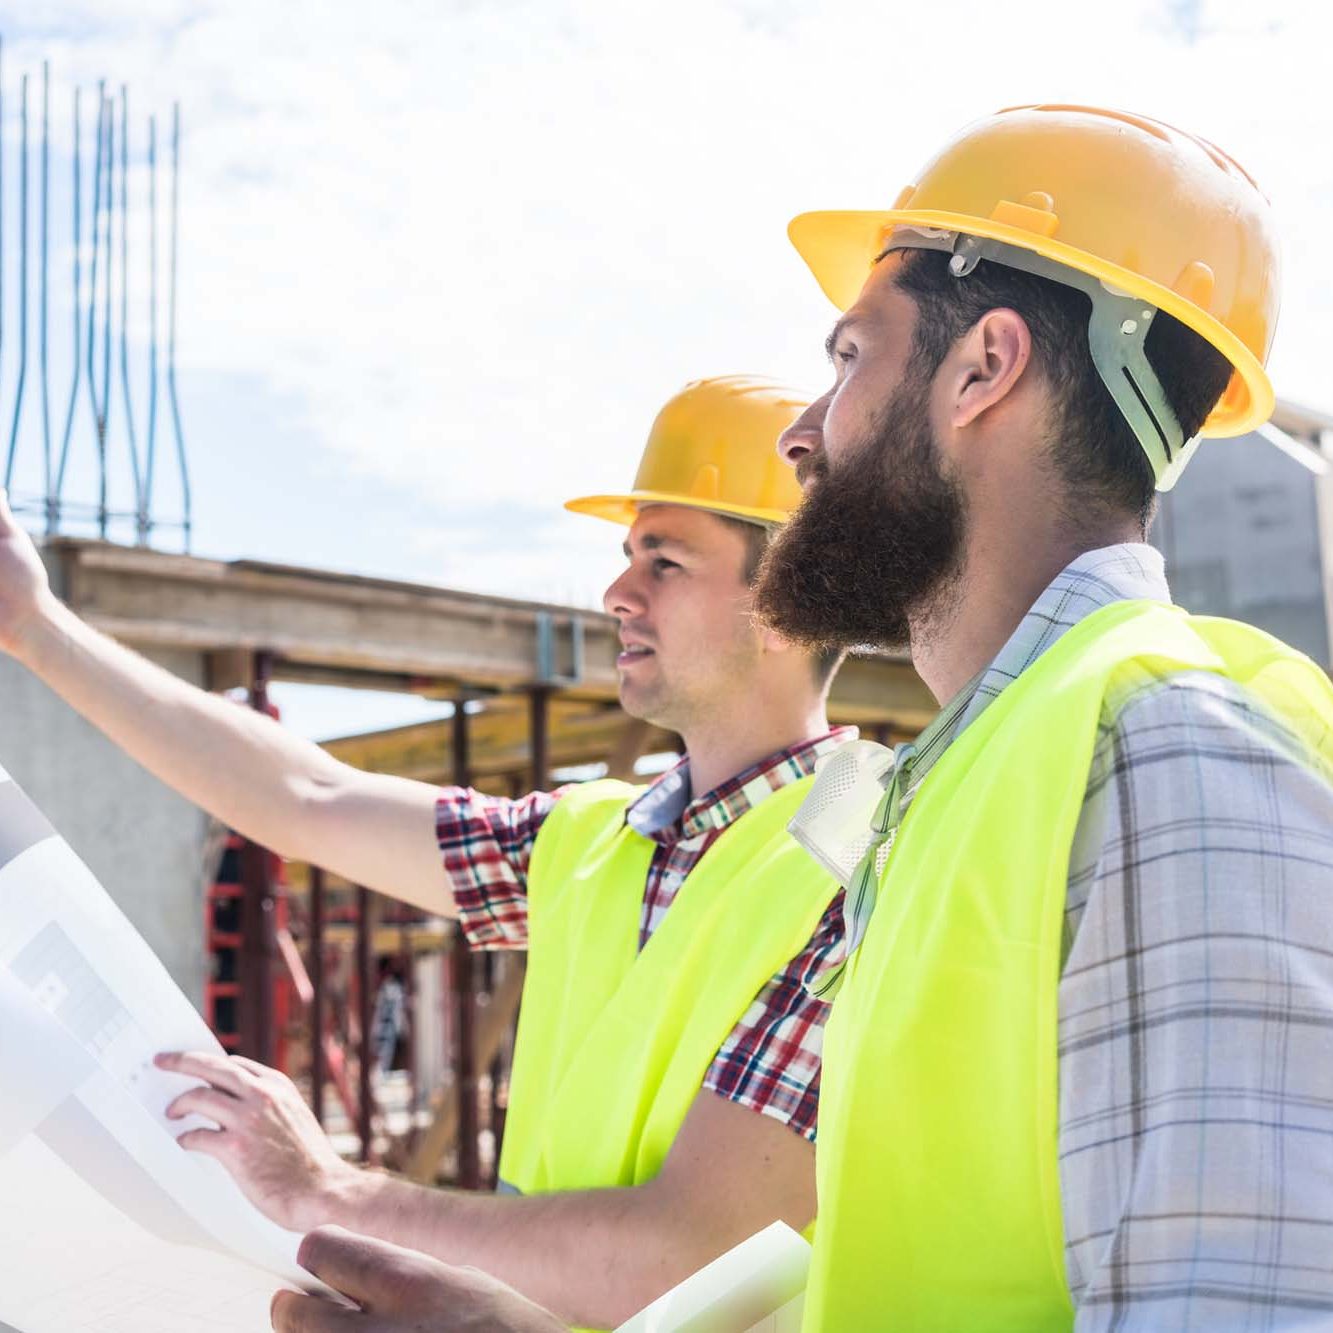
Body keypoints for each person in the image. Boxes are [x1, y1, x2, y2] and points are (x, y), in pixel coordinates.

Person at [0, 374, 849, 1330]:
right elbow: (306, 797)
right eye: (625, 556)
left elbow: (683, 1255)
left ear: (785, 602)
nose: (616, 592)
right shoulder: (588, 843)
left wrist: (329, 1189)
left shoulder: (856, 860)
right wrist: (35, 626)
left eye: (664, 561)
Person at [750, 104, 1333, 1329]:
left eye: (850, 357)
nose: (802, 432)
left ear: (982, 368)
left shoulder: (1164, 746)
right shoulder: (982, 772)